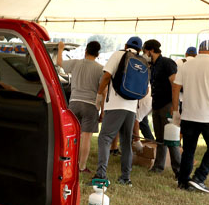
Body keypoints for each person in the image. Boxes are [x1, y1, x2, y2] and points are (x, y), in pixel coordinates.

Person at [171, 39, 209, 193]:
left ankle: (183, 182)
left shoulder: (186, 65)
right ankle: (199, 178)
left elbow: (176, 88)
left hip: (189, 115)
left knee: (189, 149)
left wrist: (175, 111)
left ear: (199, 51)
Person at [94, 36, 147, 186]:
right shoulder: (142, 61)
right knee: (126, 142)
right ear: (140, 49)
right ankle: (125, 178)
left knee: (104, 138)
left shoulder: (118, 54)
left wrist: (99, 96)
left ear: (125, 45)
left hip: (115, 105)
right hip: (131, 107)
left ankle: (101, 175)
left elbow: (106, 77)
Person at [56, 40, 102, 172]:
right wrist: (102, 110)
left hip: (74, 102)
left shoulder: (75, 63)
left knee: (71, 136)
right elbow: (102, 91)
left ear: (86, 50)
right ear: (98, 54)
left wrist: (60, 49)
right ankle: (81, 166)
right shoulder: (100, 68)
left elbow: (59, 63)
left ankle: (68, 162)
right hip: (91, 105)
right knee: (86, 138)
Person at [141, 39, 181, 176]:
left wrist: (174, 107)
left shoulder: (167, 63)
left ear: (151, 50)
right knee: (159, 138)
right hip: (156, 104)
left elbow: (175, 85)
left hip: (167, 105)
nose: (144, 54)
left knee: (171, 138)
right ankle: (158, 166)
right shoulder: (153, 65)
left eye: (145, 51)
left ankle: (179, 170)